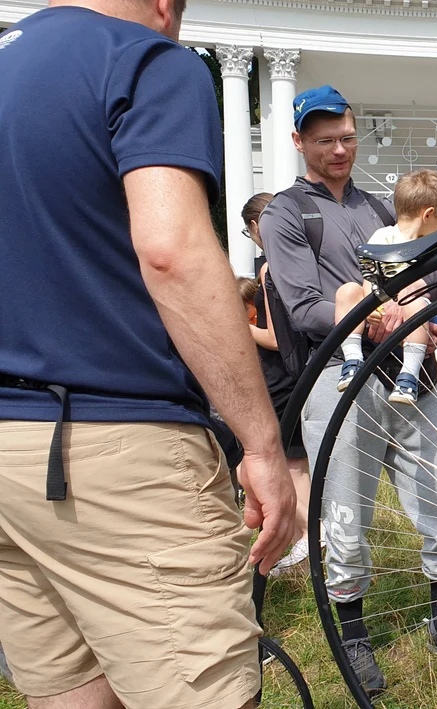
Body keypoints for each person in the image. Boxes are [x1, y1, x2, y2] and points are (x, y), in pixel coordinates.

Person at [0, 0, 296, 706]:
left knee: (68, 691)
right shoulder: (142, 59)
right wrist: (260, 441)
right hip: (122, 447)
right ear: (166, 6)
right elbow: (172, 252)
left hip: (8, 446)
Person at [260, 86, 437, 694]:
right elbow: (302, 306)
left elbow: (431, 261)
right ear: (299, 143)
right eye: (324, 140)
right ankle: (354, 637)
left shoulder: (379, 207)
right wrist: (377, 315)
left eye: (346, 136)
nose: (339, 149)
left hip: (413, 376)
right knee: (344, 515)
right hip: (340, 382)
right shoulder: (286, 213)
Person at [333, 169, 437, 405]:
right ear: (428, 214)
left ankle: (408, 378)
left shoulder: (434, 245)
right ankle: (352, 361)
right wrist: (370, 304)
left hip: (419, 318)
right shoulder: (384, 237)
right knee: (346, 291)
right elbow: (369, 276)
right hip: (384, 314)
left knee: (414, 301)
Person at [242, 193, 317, 574]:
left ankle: (311, 541)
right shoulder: (307, 258)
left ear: (257, 227)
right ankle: (310, 540)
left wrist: (239, 328)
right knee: (296, 463)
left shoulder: (271, 268)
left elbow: (273, 337)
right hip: (305, 372)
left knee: (290, 465)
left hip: (282, 378)